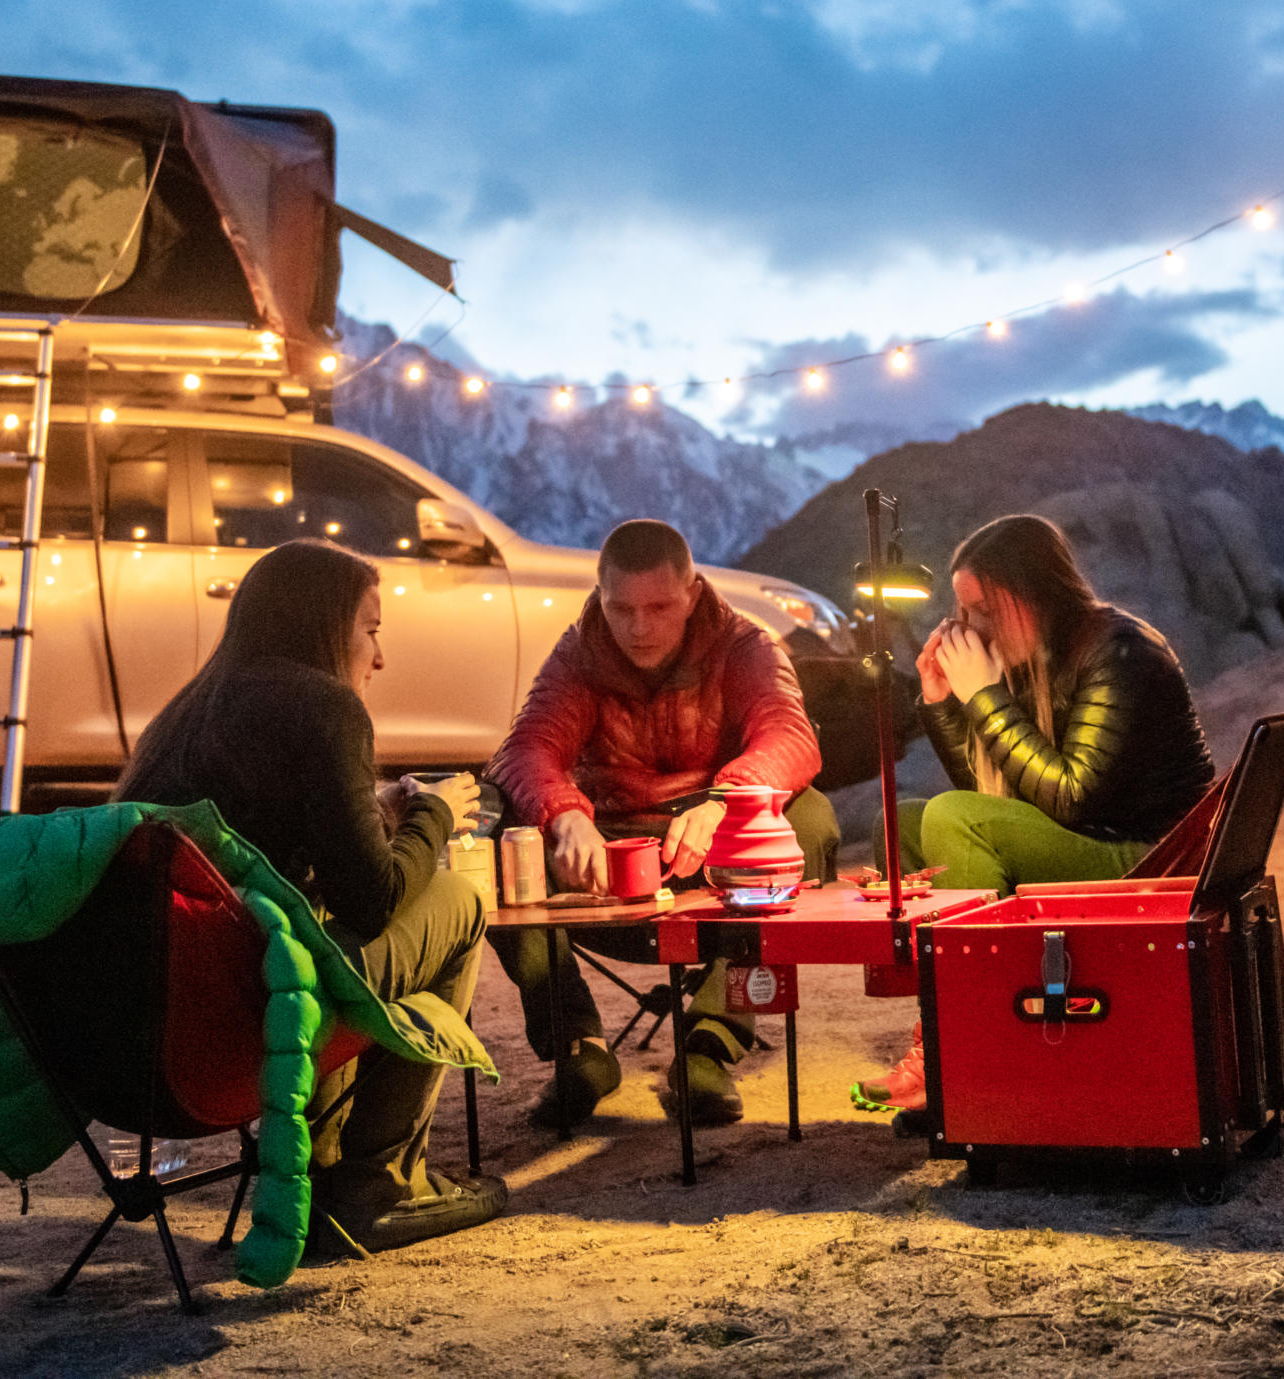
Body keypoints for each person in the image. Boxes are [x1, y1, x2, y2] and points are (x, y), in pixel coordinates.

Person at [113, 538, 503, 1254]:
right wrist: (435, 813)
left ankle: (320, 1163)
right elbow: (373, 899)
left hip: (147, 1027)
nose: (379, 657)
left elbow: (264, 838)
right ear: (326, 626)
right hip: (250, 1017)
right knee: (455, 901)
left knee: (321, 931)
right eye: (372, 629)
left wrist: (372, 805)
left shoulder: (187, 712)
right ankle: (377, 1184)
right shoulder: (327, 708)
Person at [851, 513, 1214, 1116]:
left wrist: (985, 698)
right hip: (1085, 836)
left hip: (1148, 854)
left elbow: (1072, 796)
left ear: (1034, 598)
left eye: (986, 612)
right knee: (907, 824)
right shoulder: (1030, 659)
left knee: (947, 819)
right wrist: (943, 704)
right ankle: (942, 1030)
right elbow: (994, 801)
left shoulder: (1119, 651)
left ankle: (973, 1045)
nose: (973, 629)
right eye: (965, 613)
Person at [487, 518, 833, 1127]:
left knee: (810, 818)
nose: (639, 628)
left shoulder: (744, 645)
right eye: (621, 609)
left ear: (693, 594)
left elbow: (790, 736)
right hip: (616, 847)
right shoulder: (582, 653)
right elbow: (526, 749)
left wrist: (729, 801)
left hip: (719, 845)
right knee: (500, 843)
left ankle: (710, 1043)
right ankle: (579, 1045)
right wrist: (564, 813)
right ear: (600, 598)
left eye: (659, 607)